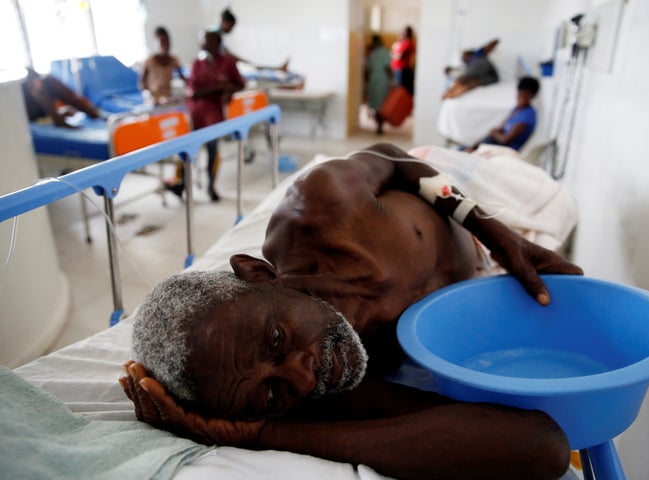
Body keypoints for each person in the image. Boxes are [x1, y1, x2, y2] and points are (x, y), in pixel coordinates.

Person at [122, 143, 582, 480]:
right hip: (472, 269)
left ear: (259, 274)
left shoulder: (321, 204)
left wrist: (500, 236)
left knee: (523, 175)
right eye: (268, 397)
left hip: (452, 193)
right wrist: (259, 433)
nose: (301, 377)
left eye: (277, 339)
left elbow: (393, 157)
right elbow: (540, 443)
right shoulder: (332, 380)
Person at [165, 30, 245, 202]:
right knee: (188, 151)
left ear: (216, 42)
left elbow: (240, 84)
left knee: (213, 151)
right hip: (196, 114)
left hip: (214, 115)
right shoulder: (197, 64)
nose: (202, 43)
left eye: (206, 40)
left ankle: (211, 187)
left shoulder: (228, 63)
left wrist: (228, 90)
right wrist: (219, 88)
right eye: (202, 40)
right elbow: (193, 93)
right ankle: (182, 184)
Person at [467, 76, 541, 152]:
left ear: (533, 96)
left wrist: (494, 133)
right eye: (521, 95)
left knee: (479, 147)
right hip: (497, 144)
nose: (522, 99)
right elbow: (500, 129)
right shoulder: (516, 109)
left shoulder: (528, 115)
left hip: (507, 151)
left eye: (526, 97)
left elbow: (505, 140)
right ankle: (470, 149)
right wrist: (494, 133)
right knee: (473, 146)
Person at [21, 67, 102, 128]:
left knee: (49, 80)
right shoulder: (21, 86)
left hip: (42, 110)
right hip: (31, 114)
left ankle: (92, 113)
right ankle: (60, 121)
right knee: (45, 84)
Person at [213, 8, 289, 72]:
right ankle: (278, 68)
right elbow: (226, 54)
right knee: (252, 66)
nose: (231, 29)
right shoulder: (213, 34)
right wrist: (245, 62)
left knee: (252, 65)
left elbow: (226, 52)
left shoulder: (217, 33)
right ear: (225, 22)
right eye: (231, 26)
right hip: (216, 67)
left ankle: (278, 68)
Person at [140, 26, 186, 106]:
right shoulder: (149, 61)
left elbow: (183, 77)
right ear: (156, 43)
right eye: (162, 42)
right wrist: (148, 94)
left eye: (167, 42)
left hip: (167, 97)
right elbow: (142, 82)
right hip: (153, 99)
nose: (165, 45)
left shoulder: (174, 60)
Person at [364, 34, 393, 135]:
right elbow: (388, 68)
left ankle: (379, 125)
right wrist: (392, 80)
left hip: (374, 81)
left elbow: (367, 69)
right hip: (383, 82)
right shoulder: (384, 52)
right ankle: (380, 125)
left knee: (376, 105)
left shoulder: (372, 53)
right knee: (382, 105)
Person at [390, 25, 415, 96]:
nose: (402, 33)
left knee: (402, 90)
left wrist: (392, 55)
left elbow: (400, 57)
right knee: (398, 89)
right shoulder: (400, 43)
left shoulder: (408, 43)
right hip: (397, 69)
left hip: (403, 70)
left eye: (404, 32)